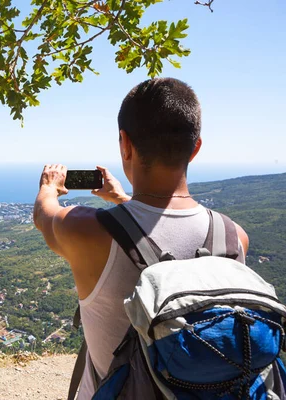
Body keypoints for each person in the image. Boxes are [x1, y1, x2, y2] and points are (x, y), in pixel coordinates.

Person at [33, 77, 249, 399]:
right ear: (196, 147)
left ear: (125, 144)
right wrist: (123, 199)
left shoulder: (88, 230)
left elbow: (44, 216)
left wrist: (50, 185)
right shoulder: (233, 238)